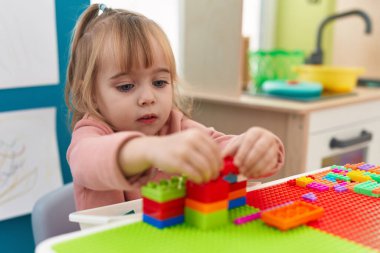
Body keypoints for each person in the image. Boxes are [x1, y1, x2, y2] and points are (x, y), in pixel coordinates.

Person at [65, 4, 285, 211]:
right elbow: (87, 163)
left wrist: (258, 147)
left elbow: (226, 149)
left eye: (159, 83)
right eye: (126, 86)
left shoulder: (177, 126)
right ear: (92, 94)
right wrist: (149, 150)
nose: (148, 98)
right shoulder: (90, 134)